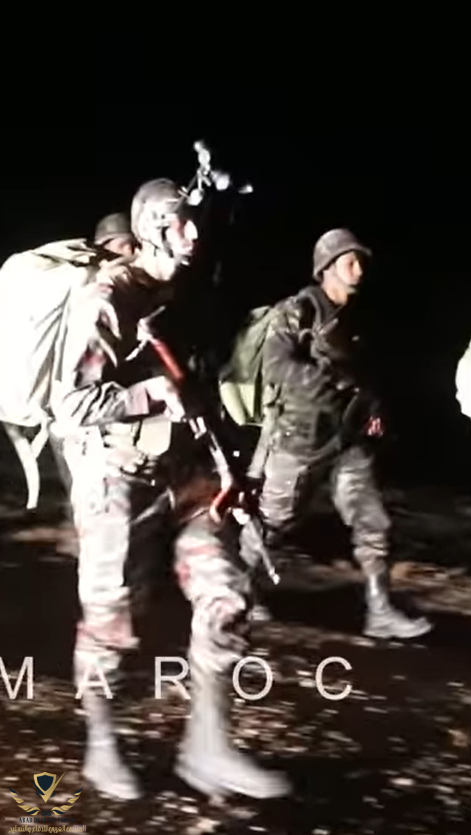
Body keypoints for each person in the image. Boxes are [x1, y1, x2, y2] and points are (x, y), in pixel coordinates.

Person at [51, 178, 291, 800]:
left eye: (195, 220)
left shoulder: (184, 292)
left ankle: (208, 747)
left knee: (227, 596)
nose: (195, 233)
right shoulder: (107, 298)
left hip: (184, 475)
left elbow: (202, 382)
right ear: (154, 228)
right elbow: (70, 405)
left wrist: (229, 466)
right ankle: (101, 745)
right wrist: (147, 394)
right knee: (110, 620)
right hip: (116, 478)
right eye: (183, 221)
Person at [240, 228, 432, 640]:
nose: (358, 269)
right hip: (300, 436)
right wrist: (328, 385)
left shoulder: (359, 316)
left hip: (348, 437)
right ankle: (240, 594)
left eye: (360, 262)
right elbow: (276, 366)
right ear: (326, 268)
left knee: (371, 521)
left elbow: (368, 374)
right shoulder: (298, 310)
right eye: (349, 262)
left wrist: (373, 409)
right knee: (272, 521)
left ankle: (380, 609)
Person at [49, 213, 140, 500]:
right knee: (92, 501)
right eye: (126, 244)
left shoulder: (126, 289)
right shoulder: (97, 290)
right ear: (105, 245)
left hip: (83, 418)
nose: (133, 250)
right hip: (80, 420)